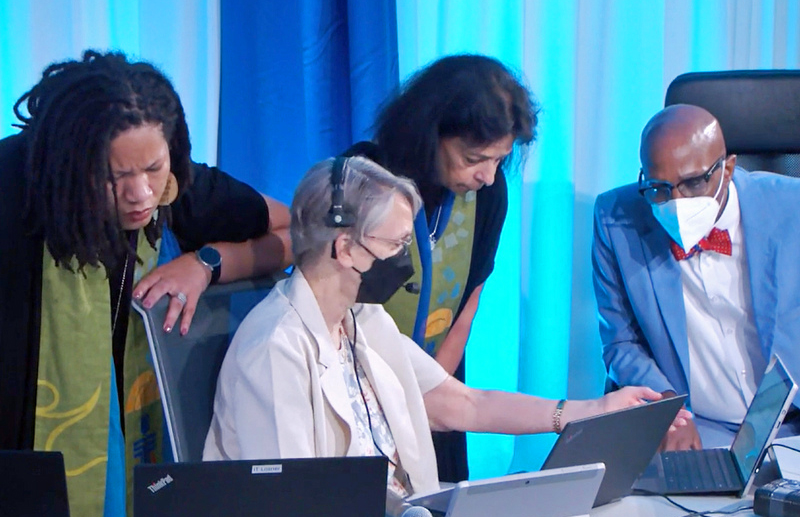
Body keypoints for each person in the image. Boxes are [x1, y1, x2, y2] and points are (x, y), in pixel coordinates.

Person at [204, 155, 679, 498]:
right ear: (345, 249)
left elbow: (464, 405)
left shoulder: (365, 321)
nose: (404, 262)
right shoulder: (274, 349)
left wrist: (592, 409)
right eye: (395, 245)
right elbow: (292, 505)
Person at [0, 50, 292, 517]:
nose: (141, 194)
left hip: (138, 454)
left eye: (153, 168)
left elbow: (299, 233)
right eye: (114, 177)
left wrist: (207, 264)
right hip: (21, 470)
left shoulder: (176, 187)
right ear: (70, 165)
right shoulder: (15, 188)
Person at [346, 53, 537, 481]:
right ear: (429, 134)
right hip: (360, 391)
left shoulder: (490, 193)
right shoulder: (362, 178)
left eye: (498, 159)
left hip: (437, 381)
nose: (487, 175)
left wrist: (433, 389)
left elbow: (471, 296)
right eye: (473, 159)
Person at [592, 103, 800, 451]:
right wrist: (668, 409)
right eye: (658, 187)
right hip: (700, 429)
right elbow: (620, 343)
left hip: (792, 423)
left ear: (728, 169)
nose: (675, 202)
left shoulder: (790, 206)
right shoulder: (616, 218)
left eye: (691, 183)